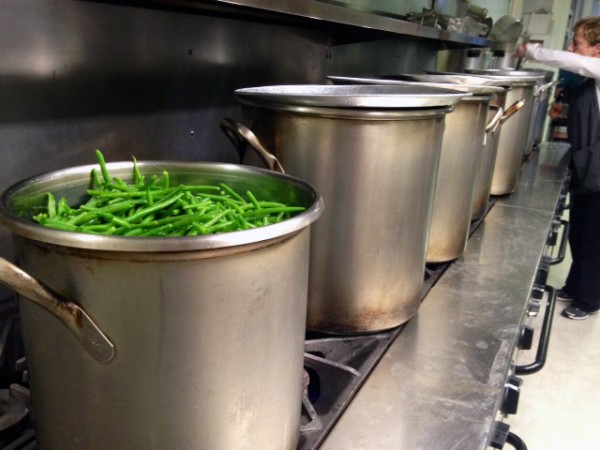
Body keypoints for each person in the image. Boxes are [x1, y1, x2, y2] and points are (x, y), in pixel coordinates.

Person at [517, 17, 600, 320]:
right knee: (578, 233)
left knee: (593, 240)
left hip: (598, 172)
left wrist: (530, 51)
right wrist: (563, 105)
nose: (571, 48)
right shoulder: (592, 78)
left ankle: (589, 299)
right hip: (587, 167)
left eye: (576, 42)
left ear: (597, 49)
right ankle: (575, 285)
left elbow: (569, 62)